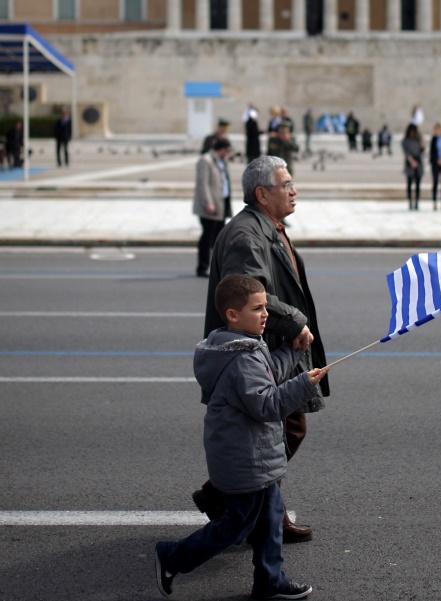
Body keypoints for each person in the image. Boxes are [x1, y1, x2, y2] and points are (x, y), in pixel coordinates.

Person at [155, 274, 327, 600]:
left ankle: (270, 581)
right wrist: (304, 384)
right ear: (233, 314)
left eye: (265, 307)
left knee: (270, 520)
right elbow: (267, 403)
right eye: (257, 308)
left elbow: (267, 374)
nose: (265, 314)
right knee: (238, 524)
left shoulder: (241, 344)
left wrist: (292, 353)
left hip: (255, 454)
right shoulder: (242, 357)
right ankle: (172, 557)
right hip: (245, 458)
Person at [193, 156, 330, 545]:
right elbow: (251, 292)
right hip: (255, 353)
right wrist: (295, 322)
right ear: (261, 193)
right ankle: (254, 511)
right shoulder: (246, 236)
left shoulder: (267, 226)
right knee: (287, 427)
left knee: (279, 430)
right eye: (285, 184)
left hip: (270, 347)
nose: (293, 189)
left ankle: (238, 502)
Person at [193, 138, 233, 278]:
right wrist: (207, 203)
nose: (227, 154)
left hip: (221, 203)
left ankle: (217, 266)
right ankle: (202, 267)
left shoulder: (221, 161)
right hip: (210, 206)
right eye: (227, 151)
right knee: (207, 237)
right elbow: (202, 184)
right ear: (222, 149)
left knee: (219, 238)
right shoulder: (205, 161)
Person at [401, 123, 424, 210]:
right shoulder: (405, 140)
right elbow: (406, 152)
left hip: (418, 163)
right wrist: (411, 161)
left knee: (418, 185)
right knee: (409, 184)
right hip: (409, 163)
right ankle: (410, 202)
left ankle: (417, 202)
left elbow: (422, 150)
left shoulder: (419, 139)